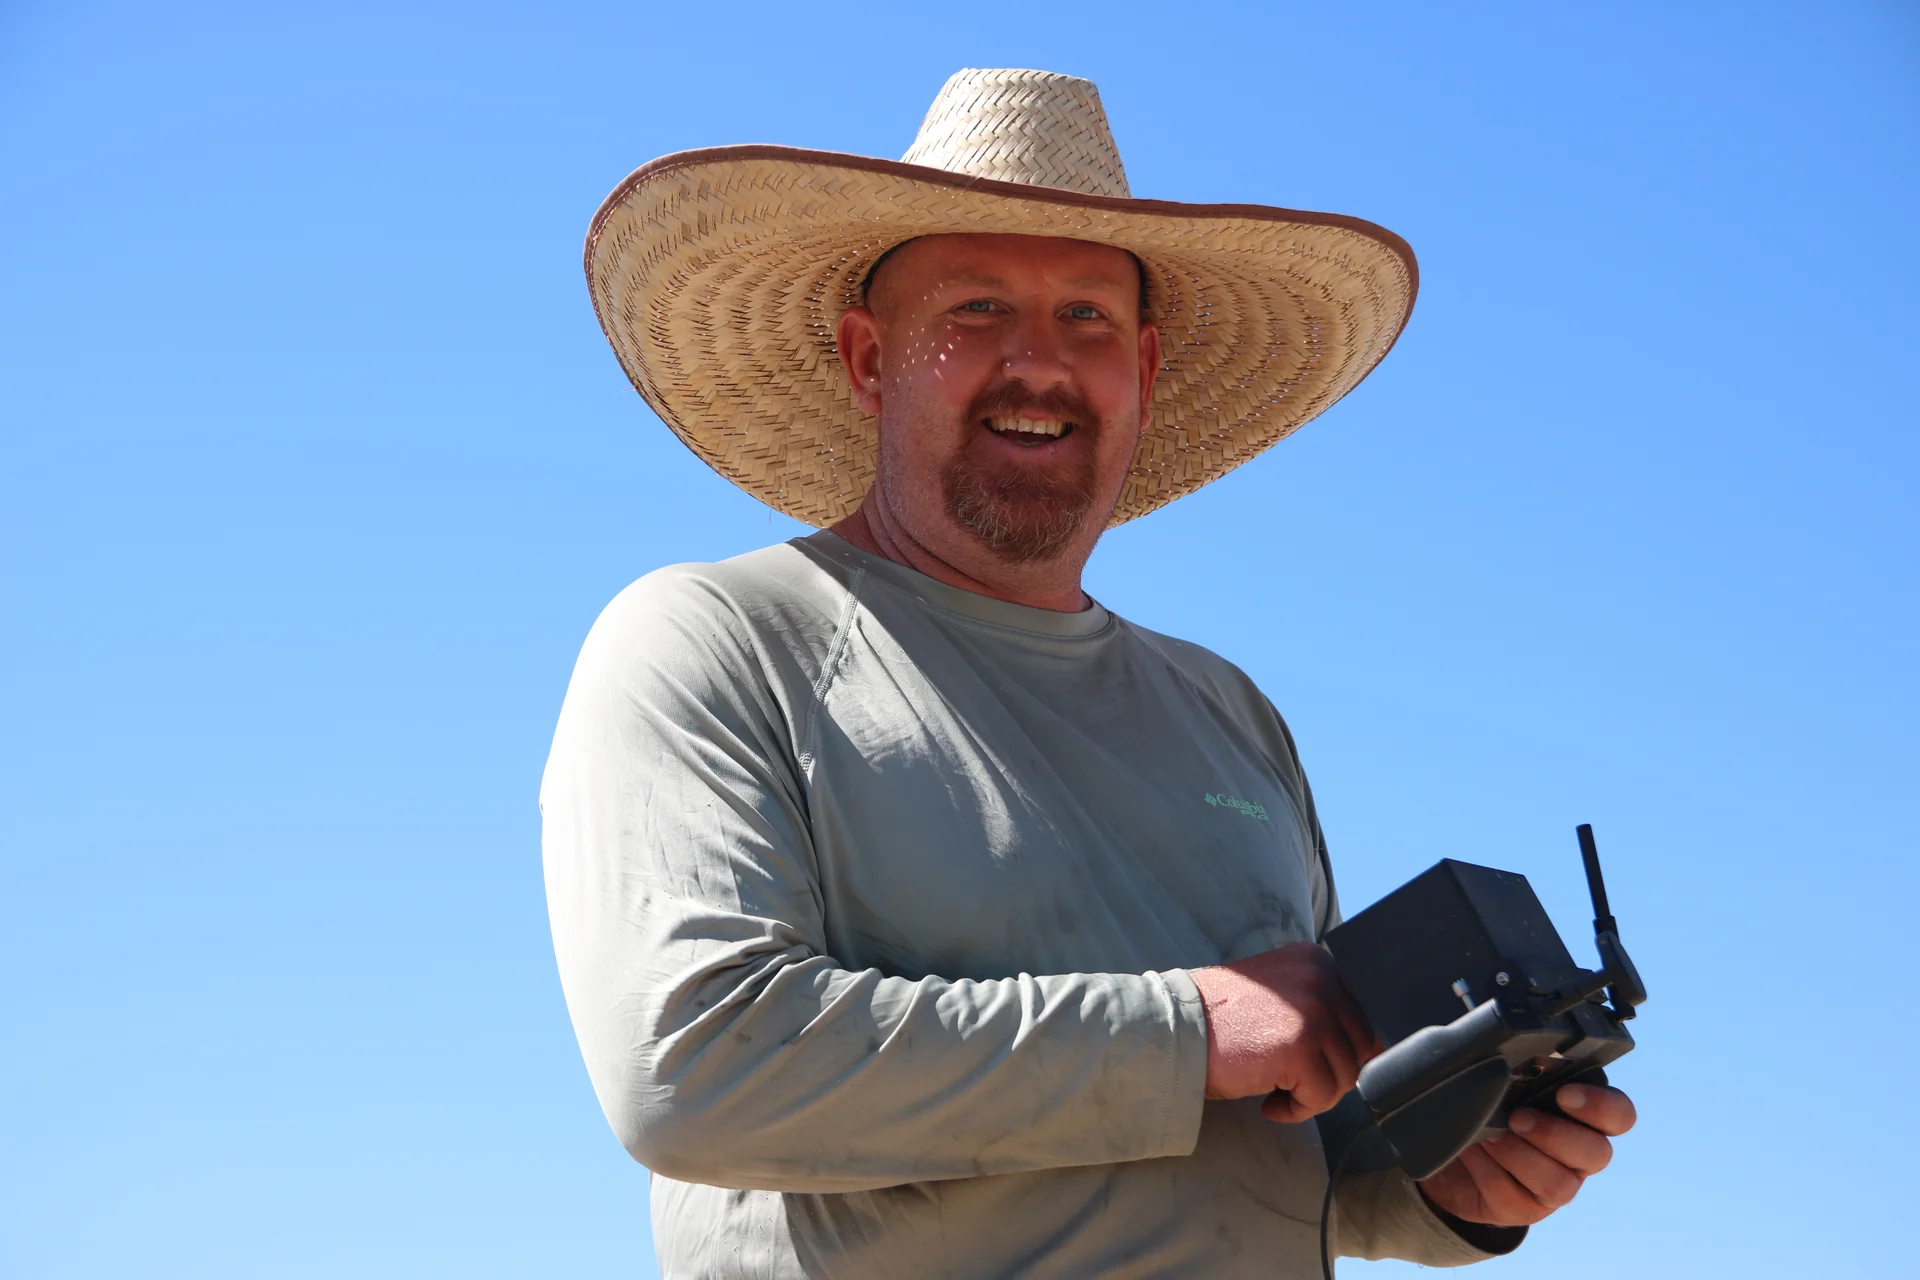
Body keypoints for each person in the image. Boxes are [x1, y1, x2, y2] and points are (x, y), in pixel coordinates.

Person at [542, 68, 1636, 1278]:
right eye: (974, 309)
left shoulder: (1228, 710)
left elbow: (1291, 1134)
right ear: (867, 358)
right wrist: (1190, 1026)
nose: (1038, 363)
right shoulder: (717, 636)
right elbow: (693, 1065)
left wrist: (1456, 1180)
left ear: (1145, 370)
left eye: (1087, 318)